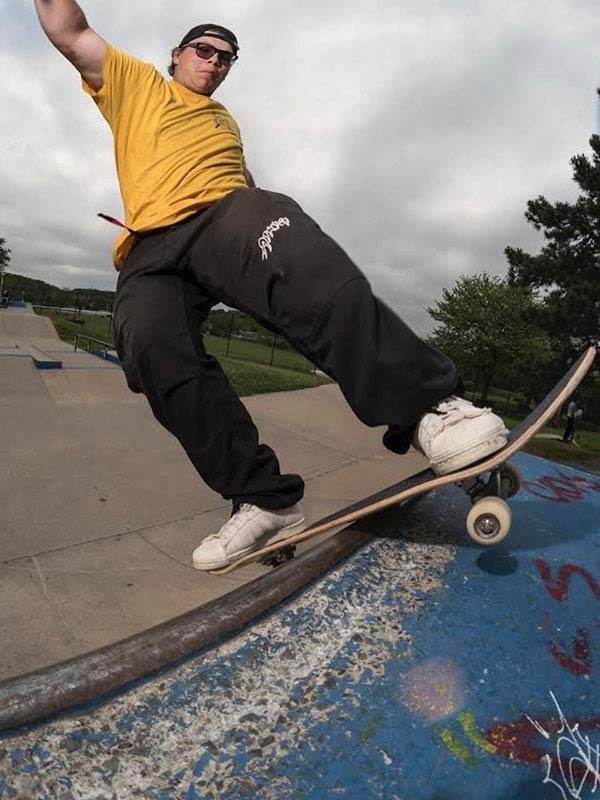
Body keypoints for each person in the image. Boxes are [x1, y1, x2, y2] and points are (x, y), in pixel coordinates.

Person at [34, 1, 508, 570]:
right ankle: (261, 497)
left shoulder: (224, 124)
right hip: (149, 248)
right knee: (152, 351)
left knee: (297, 260)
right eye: (203, 51)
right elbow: (69, 29)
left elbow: (244, 185)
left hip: (221, 214)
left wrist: (262, 215)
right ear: (177, 55)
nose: (214, 64)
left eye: (226, 58)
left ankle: (429, 409)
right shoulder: (135, 82)